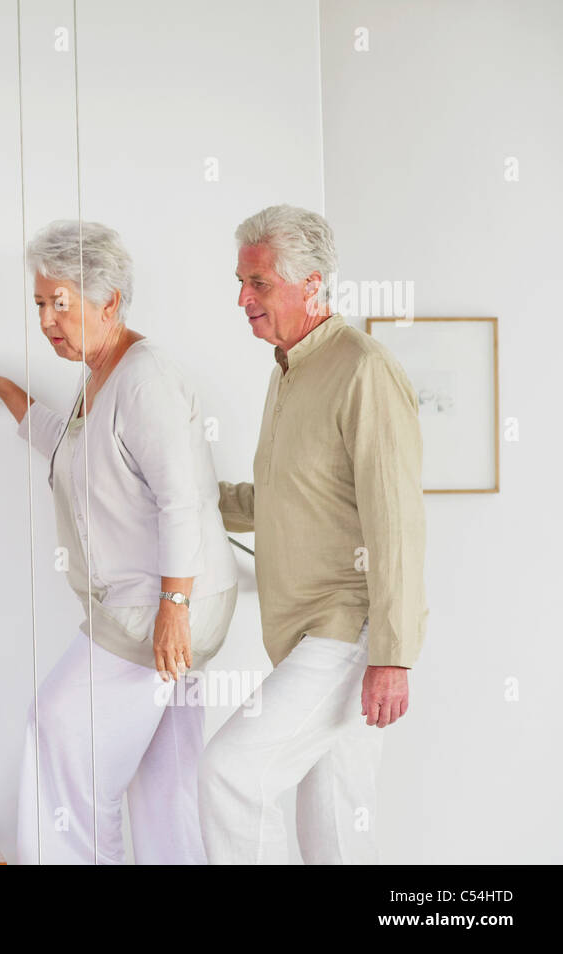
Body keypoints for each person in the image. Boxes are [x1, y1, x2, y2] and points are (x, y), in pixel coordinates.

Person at [0, 219, 238, 864]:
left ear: (108, 302)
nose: (48, 319)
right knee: (168, 779)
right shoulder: (101, 373)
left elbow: (181, 499)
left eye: (62, 303)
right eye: (40, 305)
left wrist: (175, 608)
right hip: (163, 603)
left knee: (62, 735)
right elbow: (77, 448)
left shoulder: (145, 379)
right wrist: (11, 394)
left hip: (158, 607)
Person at [198, 204, 428, 864]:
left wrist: (393, 654)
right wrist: (186, 501)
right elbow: (276, 500)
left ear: (313, 284)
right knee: (335, 829)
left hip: (349, 632)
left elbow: (397, 521)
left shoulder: (363, 369)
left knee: (230, 775)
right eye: (241, 283)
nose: (243, 298)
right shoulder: (289, 371)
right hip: (304, 636)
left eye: (259, 283)